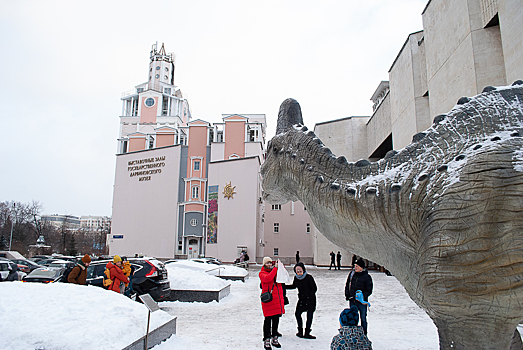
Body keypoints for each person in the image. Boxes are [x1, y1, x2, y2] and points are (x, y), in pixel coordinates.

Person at [286, 262, 317, 339]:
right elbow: (293, 286)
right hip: (302, 300)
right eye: (297, 272)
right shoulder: (296, 278)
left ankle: (307, 333)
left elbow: (314, 288)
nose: (299, 273)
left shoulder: (309, 277)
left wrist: (309, 296)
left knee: (309, 316)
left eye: (300, 271)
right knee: (297, 314)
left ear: (303, 270)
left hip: (311, 300)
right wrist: (284, 286)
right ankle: (300, 331)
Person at [259, 256, 285, 349]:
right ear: (264, 264)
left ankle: (275, 337)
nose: (269, 265)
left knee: (276, 321)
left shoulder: (275, 272)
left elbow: (283, 278)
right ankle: (266, 339)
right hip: (268, 301)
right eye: (267, 263)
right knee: (267, 321)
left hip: (276, 301)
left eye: (270, 263)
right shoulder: (262, 273)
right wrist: (275, 269)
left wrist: (280, 268)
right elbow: (268, 278)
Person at [344, 258, 373, 335]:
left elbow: (369, 290)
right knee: (352, 318)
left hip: (362, 302)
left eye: (357, 266)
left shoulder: (367, 277)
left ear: (361, 267)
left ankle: (364, 335)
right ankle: (353, 335)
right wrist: (347, 295)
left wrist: (362, 296)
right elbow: (347, 285)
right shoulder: (352, 275)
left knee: (363, 319)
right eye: (355, 266)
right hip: (352, 300)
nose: (355, 267)